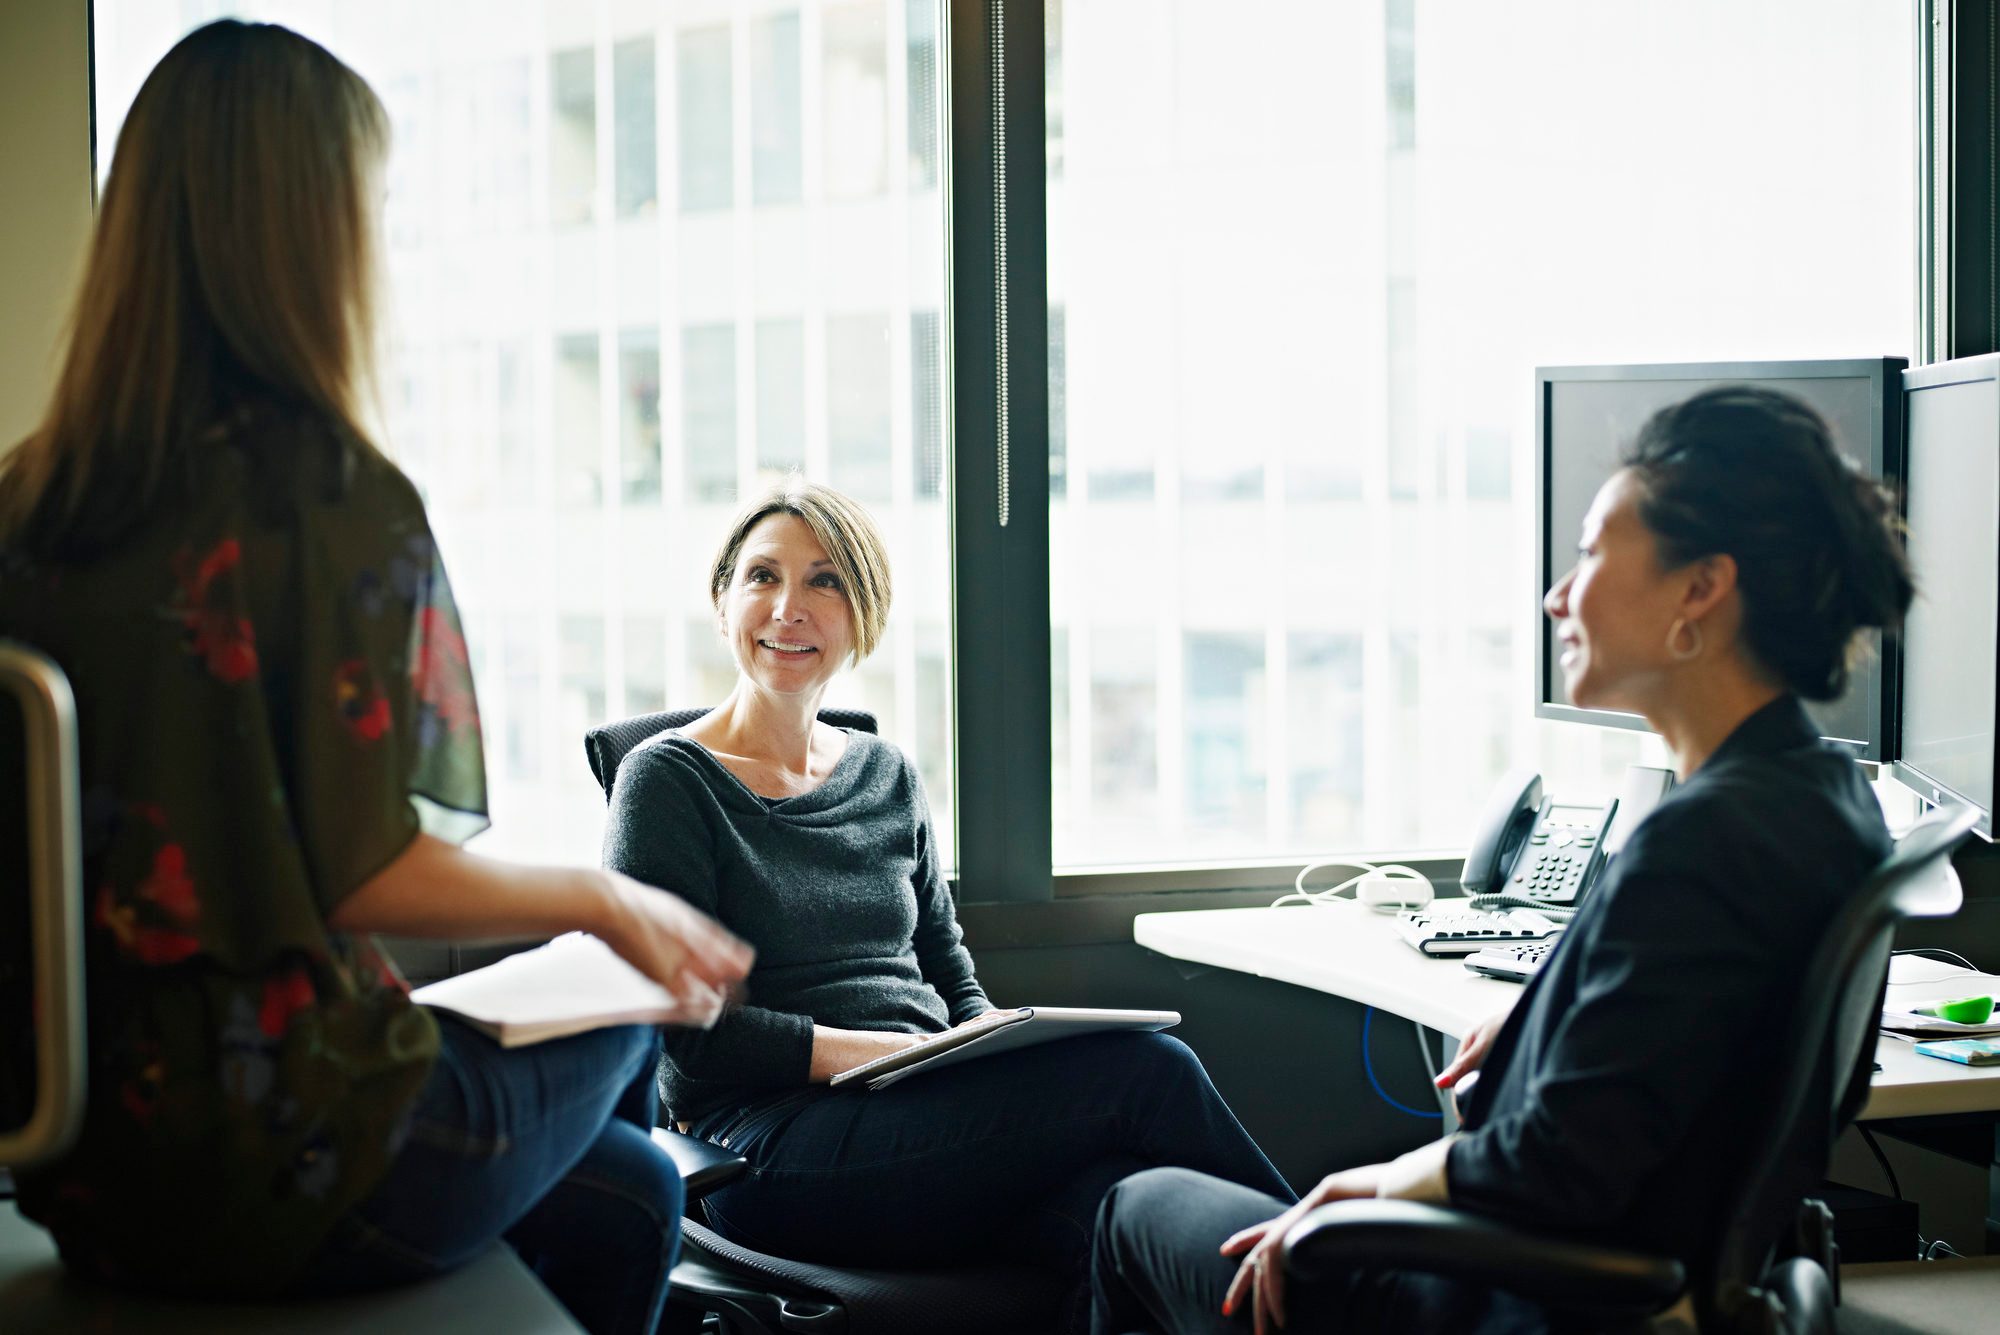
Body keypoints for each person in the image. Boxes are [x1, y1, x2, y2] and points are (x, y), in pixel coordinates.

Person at [0, 22, 751, 1335]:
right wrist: (607, 899)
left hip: (84, 1162)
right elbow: (373, 871)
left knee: (629, 1188)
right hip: (292, 1153)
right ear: (312, 231)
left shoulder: (27, 498)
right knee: (632, 994)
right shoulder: (330, 495)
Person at [1090, 385, 1916, 1335]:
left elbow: (1558, 1164)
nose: (1557, 594)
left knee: (1135, 1207)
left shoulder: (1704, 841)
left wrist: (1368, 1185)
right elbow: (1691, 1036)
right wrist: (1541, 1014)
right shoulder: (1815, 795)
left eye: (1594, 552)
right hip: (1637, 1274)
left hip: (1518, 1302)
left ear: (1701, 590)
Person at [601, 478, 1295, 1332]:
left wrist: (987, 1037)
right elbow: (686, 1035)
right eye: (761, 576)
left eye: (826, 581)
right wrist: (887, 1052)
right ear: (722, 603)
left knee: (1131, 1208)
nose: (790, 607)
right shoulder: (666, 780)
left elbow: (949, 969)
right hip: (772, 1147)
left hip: (929, 1115)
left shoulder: (885, 772)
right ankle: (1361, 1283)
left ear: (865, 613)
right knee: (1149, 1070)